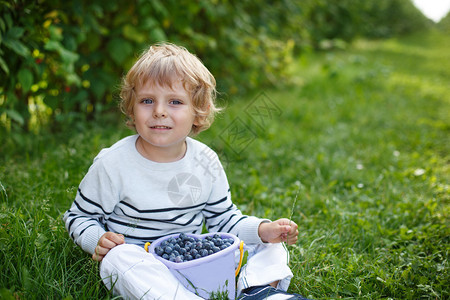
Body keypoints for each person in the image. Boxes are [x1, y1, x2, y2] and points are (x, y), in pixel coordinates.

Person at [64, 43, 308, 299]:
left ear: (197, 112)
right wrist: (98, 240)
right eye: (147, 101)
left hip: (198, 264)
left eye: (175, 102)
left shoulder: (206, 161)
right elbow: (78, 217)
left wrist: (262, 230)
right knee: (118, 259)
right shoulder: (113, 163)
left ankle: (257, 291)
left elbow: (224, 220)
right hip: (146, 268)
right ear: (132, 108)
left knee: (270, 245)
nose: (159, 111)